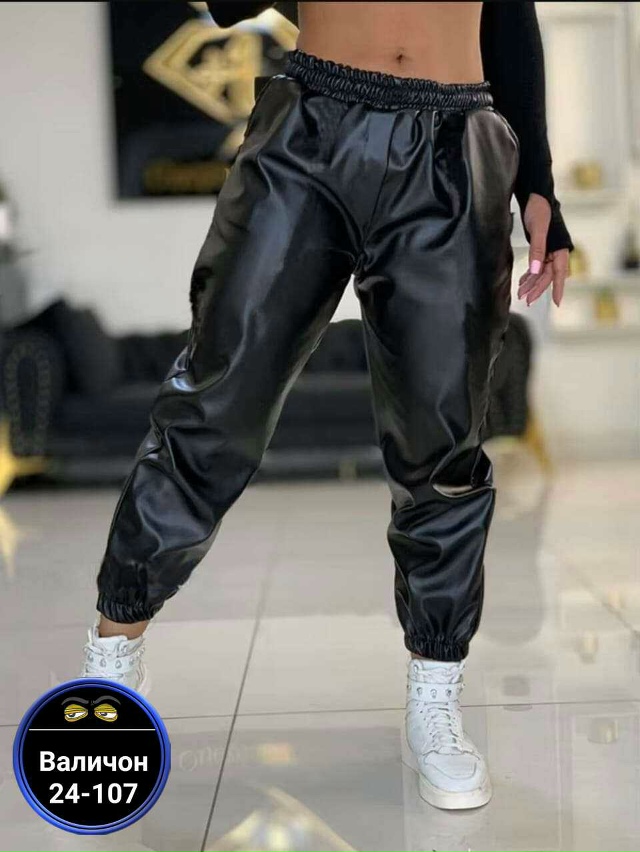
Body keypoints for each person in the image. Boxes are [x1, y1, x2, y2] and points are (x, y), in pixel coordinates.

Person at [80, 2, 572, 810]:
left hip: (455, 145)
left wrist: (539, 183)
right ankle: (111, 660)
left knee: (443, 441)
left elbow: (510, 19)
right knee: (217, 402)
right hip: (311, 130)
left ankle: (435, 698)